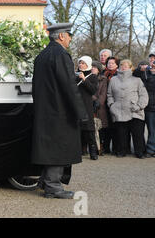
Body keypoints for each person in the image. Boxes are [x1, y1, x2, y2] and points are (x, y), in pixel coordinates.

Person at [32, 23, 87, 199]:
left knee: (50, 147)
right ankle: (53, 186)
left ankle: (45, 181)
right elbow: (69, 86)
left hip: (45, 109)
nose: (70, 39)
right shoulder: (61, 55)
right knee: (59, 148)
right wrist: (81, 112)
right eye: (69, 35)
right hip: (60, 111)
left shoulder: (42, 55)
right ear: (61, 36)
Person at [107, 59, 148, 159]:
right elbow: (109, 95)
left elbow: (143, 95)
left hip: (135, 111)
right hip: (119, 110)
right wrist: (112, 105)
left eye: (126, 66)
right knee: (121, 133)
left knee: (138, 133)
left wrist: (139, 106)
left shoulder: (137, 80)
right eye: (122, 65)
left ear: (130, 68)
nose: (123, 67)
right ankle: (121, 151)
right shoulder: (113, 80)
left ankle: (140, 152)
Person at [76, 56, 99, 160]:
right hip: (76, 105)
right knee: (76, 129)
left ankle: (93, 152)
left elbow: (93, 90)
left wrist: (84, 80)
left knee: (89, 130)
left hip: (86, 106)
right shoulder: (75, 75)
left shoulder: (92, 76)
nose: (81, 65)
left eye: (83, 63)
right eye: (80, 63)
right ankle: (78, 151)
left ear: (88, 64)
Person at [133, 59, 155, 157]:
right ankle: (149, 149)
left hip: (152, 106)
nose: (153, 67)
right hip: (146, 106)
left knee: (152, 129)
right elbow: (135, 74)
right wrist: (142, 69)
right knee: (148, 129)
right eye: (153, 65)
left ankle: (151, 149)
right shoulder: (145, 74)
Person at [102, 56, 120, 154]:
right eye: (109, 63)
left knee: (115, 126)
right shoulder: (104, 74)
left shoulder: (119, 74)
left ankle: (116, 148)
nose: (110, 65)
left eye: (113, 63)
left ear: (117, 64)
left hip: (115, 102)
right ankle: (106, 147)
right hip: (104, 103)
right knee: (106, 126)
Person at [92, 61, 109, 155]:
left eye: (94, 67)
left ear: (98, 69)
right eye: (92, 67)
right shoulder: (88, 77)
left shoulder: (103, 79)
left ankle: (100, 147)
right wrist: (94, 99)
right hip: (90, 104)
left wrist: (99, 102)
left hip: (100, 107)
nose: (92, 69)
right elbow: (89, 91)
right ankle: (92, 147)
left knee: (101, 128)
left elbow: (104, 92)